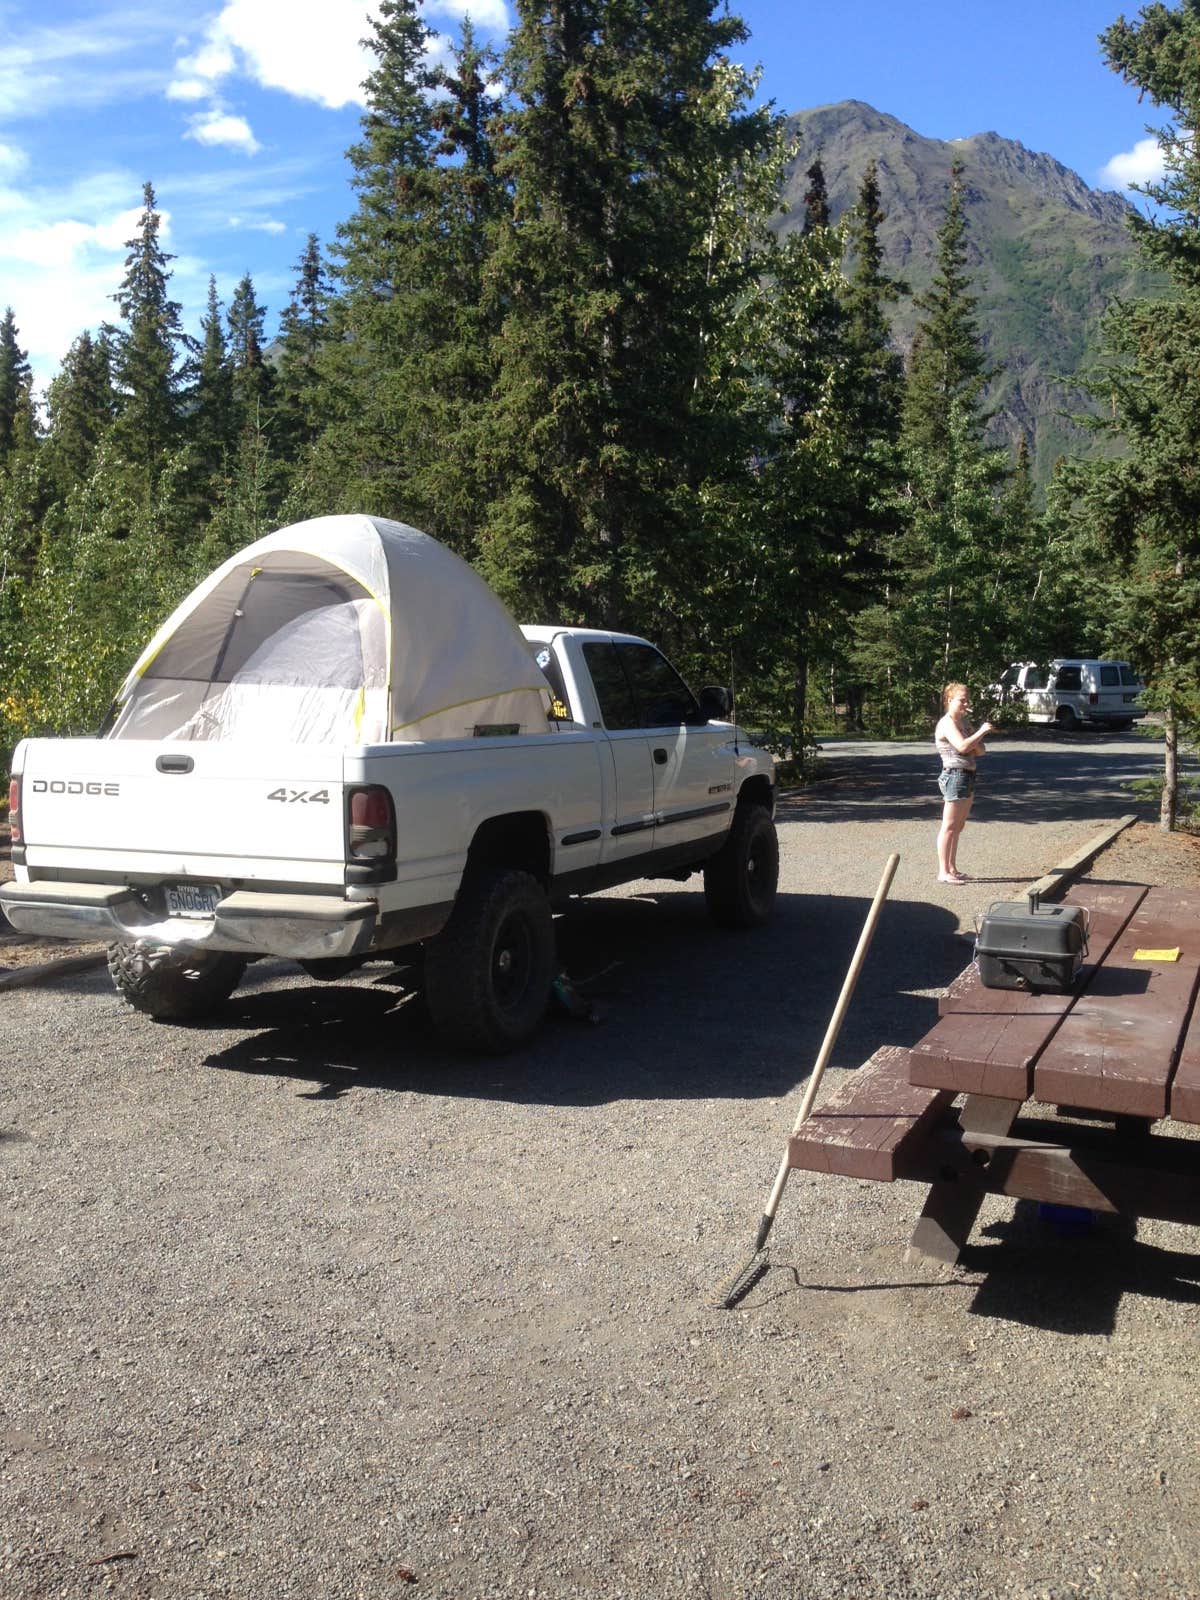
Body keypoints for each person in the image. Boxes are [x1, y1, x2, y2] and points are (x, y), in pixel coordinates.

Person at [934, 682, 993, 885]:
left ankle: (952, 868)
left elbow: (981, 750)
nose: (966, 704)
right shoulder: (947, 723)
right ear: (949, 700)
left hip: (967, 775)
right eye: (962, 700)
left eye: (967, 700)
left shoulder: (964, 722)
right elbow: (962, 746)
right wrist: (981, 732)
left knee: (959, 826)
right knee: (949, 826)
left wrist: (974, 739)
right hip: (954, 775)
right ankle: (943, 871)